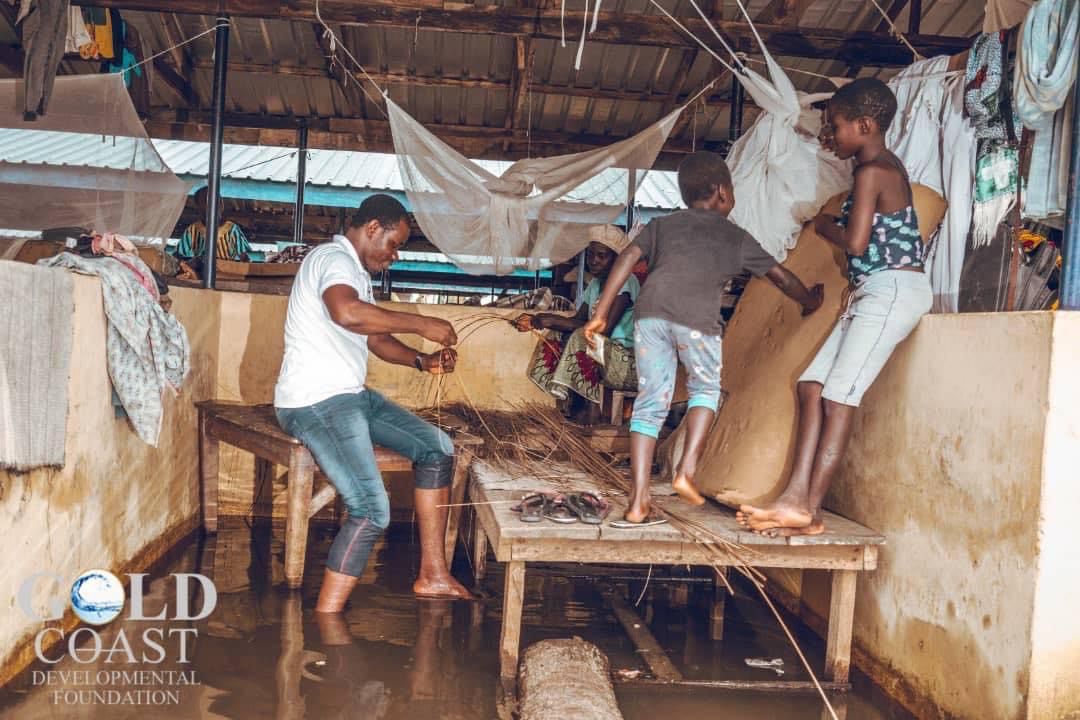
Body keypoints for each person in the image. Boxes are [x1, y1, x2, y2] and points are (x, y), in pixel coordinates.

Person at [737, 78, 932, 537]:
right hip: (873, 290)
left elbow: (857, 242)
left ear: (864, 126)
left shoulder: (871, 172)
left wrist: (825, 226)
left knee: (838, 397)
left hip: (892, 290)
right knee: (811, 386)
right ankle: (796, 501)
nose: (829, 135)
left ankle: (807, 508)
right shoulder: (879, 167)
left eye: (835, 126)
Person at [585, 151, 824, 526]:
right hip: (697, 321)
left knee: (650, 404)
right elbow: (779, 277)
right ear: (723, 192)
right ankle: (687, 469)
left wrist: (600, 312)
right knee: (705, 390)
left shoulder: (662, 225)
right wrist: (809, 300)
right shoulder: (735, 236)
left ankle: (638, 500)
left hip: (650, 316)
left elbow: (627, 257)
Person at [273, 194, 472, 612]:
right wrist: (422, 323)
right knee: (370, 510)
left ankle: (433, 574)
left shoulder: (355, 273)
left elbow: (376, 339)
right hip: (314, 401)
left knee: (437, 449)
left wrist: (422, 361)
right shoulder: (333, 259)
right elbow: (346, 313)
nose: (395, 255)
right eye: (394, 244)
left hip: (351, 396)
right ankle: (325, 623)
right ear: (373, 228)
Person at [513, 225, 639, 423]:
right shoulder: (596, 284)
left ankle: (590, 409)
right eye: (590, 255)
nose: (593, 261)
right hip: (604, 355)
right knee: (559, 334)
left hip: (627, 362)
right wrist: (546, 321)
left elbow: (602, 329)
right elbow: (579, 320)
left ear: (617, 259)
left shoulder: (625, 282)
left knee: (583, 337)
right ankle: (569, 401)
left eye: (601, 256)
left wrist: (552, 319)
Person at [172, 186, 252, 263]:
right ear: (198, 208)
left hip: (225, 270)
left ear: (222, 205)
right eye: (205, 203)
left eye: (218, 202)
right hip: (201, 271)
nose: (212, 207)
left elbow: (244, 257)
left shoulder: (232, 229)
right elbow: (177, 255)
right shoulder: (193, 229)